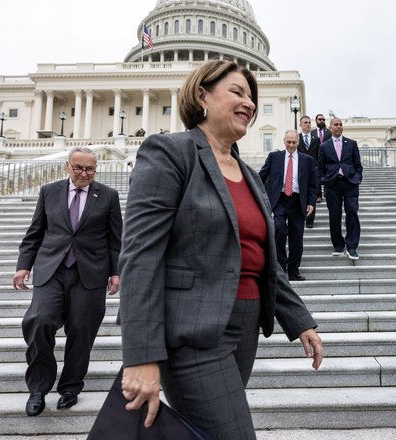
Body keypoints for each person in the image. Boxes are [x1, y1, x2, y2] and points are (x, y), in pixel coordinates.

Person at [117, 60, 323, 440]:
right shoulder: (170, 152)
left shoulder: (248, 174)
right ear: (202, 96)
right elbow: (141, 255)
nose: (249, 103)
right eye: (237, 92)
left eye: (252, 96)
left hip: (243, 327)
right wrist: (141, 355)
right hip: (192, 331)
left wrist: (299, 320)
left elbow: (264, 257)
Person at [13, 146, 122, 416]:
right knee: (38, 320)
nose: (84, 173)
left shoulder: (108, 195)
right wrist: (23, 266)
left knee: (81, 329)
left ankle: (70, 387)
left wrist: (116, 271)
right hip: (52, 269)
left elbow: (115, 239)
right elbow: (35, 232)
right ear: (67, 166)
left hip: (90, 272)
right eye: (78, 168)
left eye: (90, 169)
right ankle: (38, 388)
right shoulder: (49, 192)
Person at [259, 129, 318, 281]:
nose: (291, 145)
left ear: (298, 142)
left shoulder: (307, 160)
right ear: (284, 142)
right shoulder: (274, 157)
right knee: (278, 229)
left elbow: (313, 184)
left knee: (297, 237)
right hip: (280, 199)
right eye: (288, 142)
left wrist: (311, 202)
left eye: (294, 142)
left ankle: (293, 270)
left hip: (298, 201)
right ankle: (280, 268)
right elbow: (261, 176)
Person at [317, 117, 363, 260]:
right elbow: (320, 168)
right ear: (330, 128)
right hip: (333, 184)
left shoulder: (351, 144)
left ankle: (352, 246)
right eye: (335, 125)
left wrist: (357, 178)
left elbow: (358, 165)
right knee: (334, 215)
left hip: (350, 183)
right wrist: (324, 180)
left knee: (352, 212)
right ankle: (338, 245)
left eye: (340, 125)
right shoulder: (324, 146)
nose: (338, 127)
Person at [297, 115, 321, 228]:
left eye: (309, 123)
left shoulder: (316, 139)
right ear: (300, 125)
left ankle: (310, 221)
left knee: (312, 195)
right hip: (300, 171)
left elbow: (319, 155)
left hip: (313, 172)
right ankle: (301, 216)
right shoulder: (296, 138)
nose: (307, 124)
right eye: (305, 122)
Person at [311, 113, 332, 203]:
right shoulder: (312, 133)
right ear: (316, 121)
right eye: (320, 119)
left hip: (327, 157)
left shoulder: (329, 132)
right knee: (317, 176)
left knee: (328, 174)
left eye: (323, 119)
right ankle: (318, 195)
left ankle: (327, 193)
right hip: (315, 157)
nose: (322, 121)